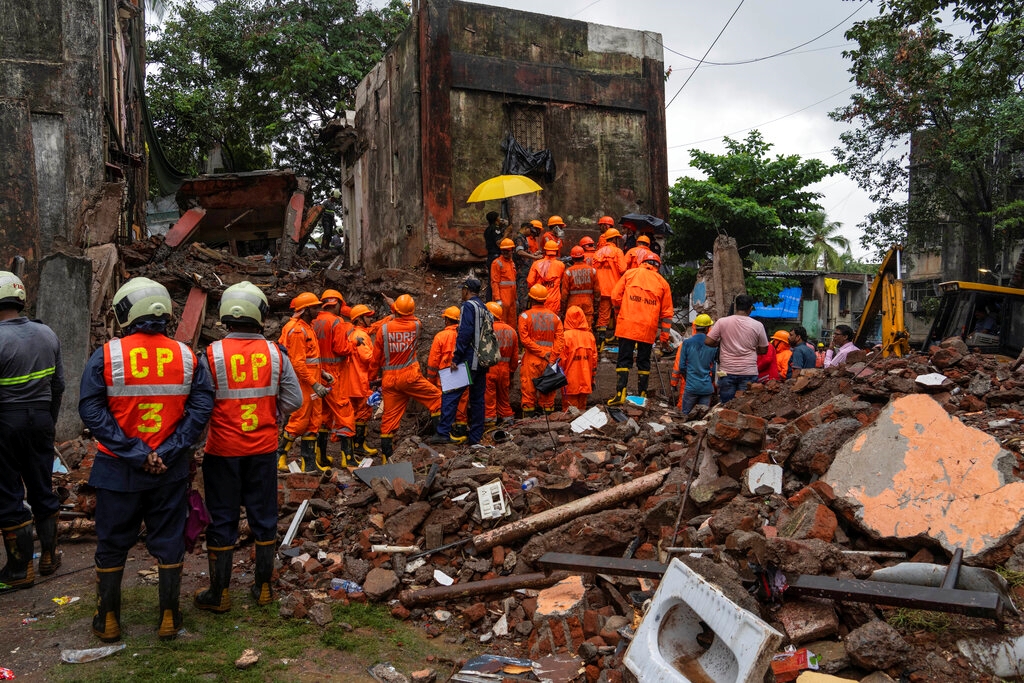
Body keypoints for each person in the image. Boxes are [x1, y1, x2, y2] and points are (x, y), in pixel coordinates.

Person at [79, 277, 214, 642]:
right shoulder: (187, 356)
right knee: (169, 539)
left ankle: (107, 620)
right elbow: (201, 408)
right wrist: (169, 451)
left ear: (127, 311)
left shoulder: (107, 354)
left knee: (112, 542)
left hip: (118, 470)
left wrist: (135, 452)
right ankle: (169, 617)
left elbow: (91, 410)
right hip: (168, 470)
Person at [193, 282, 302, 613]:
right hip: (263, 449)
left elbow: (199, 407)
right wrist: (273, 414)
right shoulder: (275, 353)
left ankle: (220, 594)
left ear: (226, 314)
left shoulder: (210, 356)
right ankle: (264, 587)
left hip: (222, 452)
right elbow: (294, 400)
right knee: (264, 515)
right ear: (261, 315)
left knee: (223, 518)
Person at [0, 271, 65, 592]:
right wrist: (48, 419)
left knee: (9, 493)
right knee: (42, 486)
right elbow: (59, 384)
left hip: (6, 424)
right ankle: (50, 556)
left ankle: (19, 568)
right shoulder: (47, 333)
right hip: (41, 419)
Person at [370, 294, 441, 461]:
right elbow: (408, 315)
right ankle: (440, 437)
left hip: (389, 380)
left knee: (389, 419)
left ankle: (387, 457)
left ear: (396, 311)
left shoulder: (384, 329)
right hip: (410, 377)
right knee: (436, 399)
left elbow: (375, 359)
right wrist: (394, 305)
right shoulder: (416, 325)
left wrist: (372, 378)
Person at [429, 278, 491, 445]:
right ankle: (475, 437)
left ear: (466, 290)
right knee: (478, 399)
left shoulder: (468, 307)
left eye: (462, 290)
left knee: (451, 392)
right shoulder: (484, 308)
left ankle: (443, 432)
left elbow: (464, 332)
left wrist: (456, 357)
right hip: (482, 361)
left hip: (469, 360)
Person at [607, 253, 673, 404]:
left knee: (624, 360)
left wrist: (619, 313)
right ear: (658, 266)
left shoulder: (630, 274)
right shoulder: (662, 282)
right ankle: (641, 396)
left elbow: (615, 297)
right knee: (644, 361)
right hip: (647, 328)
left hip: (627, 325)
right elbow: (667, 313)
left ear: (642, 262)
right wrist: (664, 338)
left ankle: (620, 395)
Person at [277, 292, 331, 472]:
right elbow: (297, 363)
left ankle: (308, 463)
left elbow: (310, 359)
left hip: (311, 382)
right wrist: (315, 383)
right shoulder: (298, 331)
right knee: (299, 421)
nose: (319, 310)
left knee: (313, 422)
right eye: (315, 307)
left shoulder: (306, 327)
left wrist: (321, 373)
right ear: (306, 310)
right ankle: (280, 457)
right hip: (303, 383)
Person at [312, 289, 356, 468]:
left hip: (317, 374)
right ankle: (348, 458)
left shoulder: (313, 321)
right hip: (333, 375)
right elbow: (341, 349)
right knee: (345, 413)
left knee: (323, 415)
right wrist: (353, 344)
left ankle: (320, 457)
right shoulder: (336, 322)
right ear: (336, 303)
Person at [705, 294, 768, 403]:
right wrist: (752, 348)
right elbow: (764, 350)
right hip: (749, 371)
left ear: (736, 307)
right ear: (751, 308)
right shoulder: (758, 325)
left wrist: (720, 343)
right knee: (745, 406)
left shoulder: (722, 322)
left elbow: (708, 341)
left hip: (727, 371)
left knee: (726, 406)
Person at [519, 284, 565, 416]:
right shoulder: (555, 318)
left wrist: (542, 353)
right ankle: (549, 425)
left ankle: (527, 424)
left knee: (528, 393)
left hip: (532, 360)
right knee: (548, 395)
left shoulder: (525, 317)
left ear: (531, 299)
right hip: (549, 361)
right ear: (545, 299)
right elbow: (560, 341)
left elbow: (525, 340)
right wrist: (551, 357)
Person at [425, 307, 469, 442]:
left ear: (447, 320)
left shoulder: (441, 336)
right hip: (462, 373)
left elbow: (433, 362)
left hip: (445, 377)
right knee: (462, 404)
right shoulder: (465, 334)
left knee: (442, 404)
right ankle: (461, 432)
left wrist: (430, 380)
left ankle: (441, 433)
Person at [346, 305, 378, 458]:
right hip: (361, 379)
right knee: (363, 412)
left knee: (355, 413)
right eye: (367, 316)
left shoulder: (353, 333)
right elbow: (368, 358)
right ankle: (358, 445)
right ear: (359, 319)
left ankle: (355, 445)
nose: (370, 318)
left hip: (353, 380)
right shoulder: (360, 335)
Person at [675, 314, 718, 414]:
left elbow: (681, 367)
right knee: (703, 418)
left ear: (695, 326)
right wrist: (709, 381)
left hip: (691, 386)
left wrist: (688, 379)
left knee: (685, 414)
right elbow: (714, 369)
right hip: (706, 387)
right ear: (708, 328)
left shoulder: (687, 343)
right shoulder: (713, 345)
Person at [484, 302, 518, 428]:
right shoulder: (512, 331)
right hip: (505, 370)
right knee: (504, 400)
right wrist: (511, 373)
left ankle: (489, 424)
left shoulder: (486, 329)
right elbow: (514, 358)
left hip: (489, 369)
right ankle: (508, 421)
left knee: (489, 400)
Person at [593, 228, 627, 350]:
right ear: (614, 239)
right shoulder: (618, 252)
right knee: (619, 313)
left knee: (603, 315)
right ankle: (618, 338)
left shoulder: (597, 253)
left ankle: (601, 344)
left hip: (601, 289)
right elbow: (623, 269)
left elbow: (593, 272)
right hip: (615, 289)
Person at [560, 306, 598, 410]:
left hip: (569, 383)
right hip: (586, 381)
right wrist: (592, 378)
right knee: (582, 414)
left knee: (569, 413)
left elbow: (561, 361)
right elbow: (594, 361)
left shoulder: (565, 337)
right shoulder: (590, 337)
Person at [561, 246, 599, 328]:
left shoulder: (568, 272)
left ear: (572, 258)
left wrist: (562, 309)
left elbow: (564, 293)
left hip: (573, 303)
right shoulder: (592, 271)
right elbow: (597, 291)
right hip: (587, 303)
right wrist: (596, 307)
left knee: (572, 327)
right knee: (587, 327)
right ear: (583, 257)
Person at [528, 240, 566, 315]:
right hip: (554, 300)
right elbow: (563, 283)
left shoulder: (536, 264)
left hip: (538, 299)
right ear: (557, 251)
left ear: (545, 251)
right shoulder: (561, 265)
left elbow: (530, 282)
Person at [514, 221, 544, 313]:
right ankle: (522, 314)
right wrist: (534, 257)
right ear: (526, 228)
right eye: (530, 230)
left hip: (525, 270)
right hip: (521, 271)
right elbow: (519, 252)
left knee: (526, 294)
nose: (531, 233)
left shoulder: (523, 238)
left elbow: (524, 253)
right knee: (522, 294)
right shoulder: (519, 238)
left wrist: (533, 254)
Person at [490, 238, 518, 325]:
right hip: (502, 297)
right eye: (503, 250)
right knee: (502, 322)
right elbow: (494, 282)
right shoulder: (497, 263)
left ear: (512, 250)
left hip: (511, 298)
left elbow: (513, 282)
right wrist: (498, 299)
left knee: (512, 322)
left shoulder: (511, 263)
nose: (505, 252)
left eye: (507, 250)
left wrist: (515, 298)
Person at [483, 211, 507, 296]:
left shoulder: (488, 229)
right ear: (496, 218)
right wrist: (506, 233)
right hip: (495, 256)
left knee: (491, 279)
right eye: (499, 216)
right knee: (495, 280)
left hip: (490, 256)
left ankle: (490, 299)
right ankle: (493, 299)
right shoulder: (495, 229)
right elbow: (498, 243)